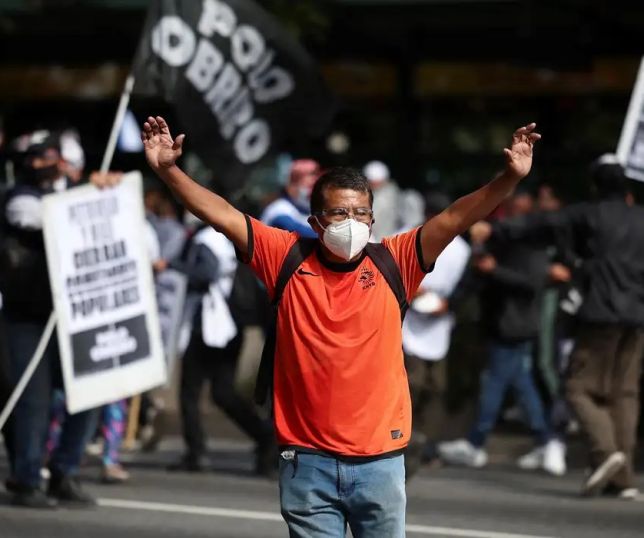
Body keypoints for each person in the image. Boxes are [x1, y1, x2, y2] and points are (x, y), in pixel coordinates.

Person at [141, 115, 540, 536]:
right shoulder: (285, 257)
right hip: (307, 462)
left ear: (373, 220)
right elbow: (221, 214)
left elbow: (456, 217)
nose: (352, 221)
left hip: (381, 462)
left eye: (361, 212)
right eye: (339, 212)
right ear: (315, 222)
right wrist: (169, 171)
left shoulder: (398, 261)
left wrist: (509, 178)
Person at [470, 154, 644, 499]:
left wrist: (494, 228)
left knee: (577, 387)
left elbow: (542, 223)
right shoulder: (640, 219)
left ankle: (606, 453)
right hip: (637, 318)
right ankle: (622, 479)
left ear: (594, 186)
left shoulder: (589, 214)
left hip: (600, 315)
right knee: (624, 394)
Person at [0, 130, 118, 508]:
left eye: (52, 157)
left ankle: (64, 471)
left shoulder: (70, 195)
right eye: (39, 159)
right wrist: (91, 193)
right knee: (33, 401)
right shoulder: (19, 199)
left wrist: (106, 195)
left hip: (72, 316)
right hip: (27, 318)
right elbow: (51, 218)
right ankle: (26, 478)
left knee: (89, 392)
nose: (47, 165)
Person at [438, 191, 563, 475]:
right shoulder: (503, 240)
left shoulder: (533, 243)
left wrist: (495, 270)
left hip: (515, 324)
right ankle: (545, 440)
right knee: (520, 382)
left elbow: (531, 284)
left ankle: (476, 442)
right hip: (503, 321)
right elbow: (477, 275)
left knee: (495, 381)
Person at [168, 225, 275, 475]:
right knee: (223, 393)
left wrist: (173, 266)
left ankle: (196, 451)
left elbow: (207, 273)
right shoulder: (228, 238)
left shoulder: (206, 239)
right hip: (230, 326)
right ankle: (264, 436)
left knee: (190, 392)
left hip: (208, 327)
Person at [402, 192, 471, 478]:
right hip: (409, 322)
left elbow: (467, 287)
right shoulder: (409, 238)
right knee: (411, 383)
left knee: (436, 388)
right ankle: (400, 437)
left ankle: (425, 441)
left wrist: (448, 304)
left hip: (439, 324)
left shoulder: (461, 249)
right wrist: (413, 290)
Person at [260, 158, 321, 238]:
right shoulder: (279, 210)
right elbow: (303, 233)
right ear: (291, 186)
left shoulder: (308, 210)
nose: (312, 193)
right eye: (309, 187)